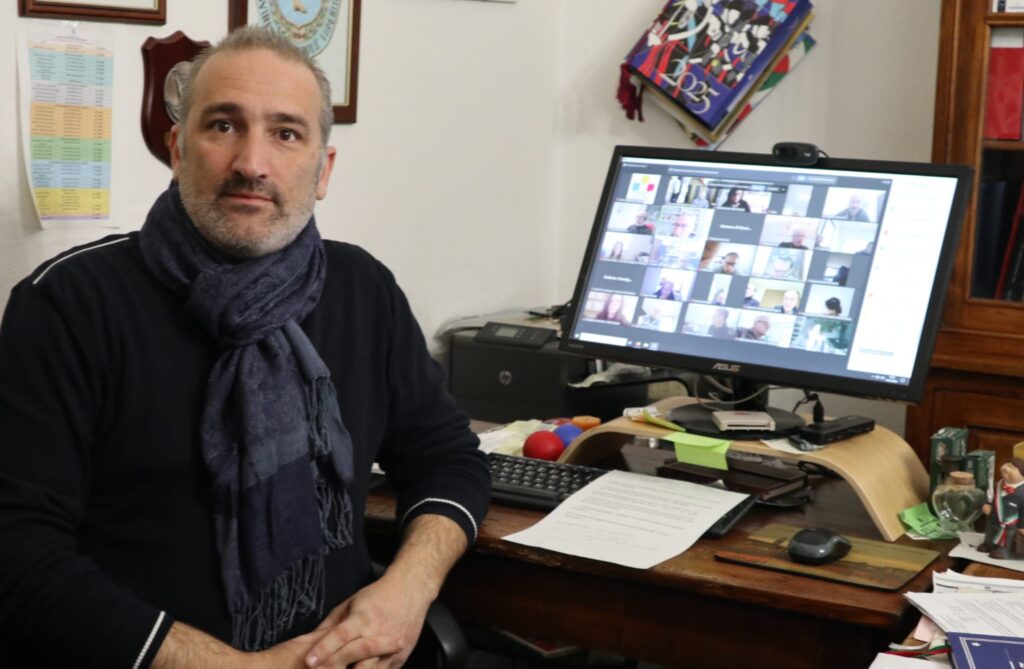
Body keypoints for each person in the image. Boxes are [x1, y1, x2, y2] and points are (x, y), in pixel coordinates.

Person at [0, 27, 490, 669]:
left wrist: (407, 590)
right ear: (177, 148)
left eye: (286, 133)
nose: (252, 163)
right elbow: (19, 546)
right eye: (223, 125)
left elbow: (448, 458)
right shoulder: (70, 303)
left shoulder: (363, 289)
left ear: (323, 169)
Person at [978, 458, 1024, 559]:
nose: (1005, 468)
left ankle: (1004, 551)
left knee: (1008, 538)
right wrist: (986, 504)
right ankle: (988, 545)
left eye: (1011, 467)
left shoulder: (1022, 492)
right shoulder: (998, 484)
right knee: (990, 532)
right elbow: (989, 495)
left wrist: (1022, 526)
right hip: (993, 517)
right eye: (1006, 465)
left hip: (1010, 524)